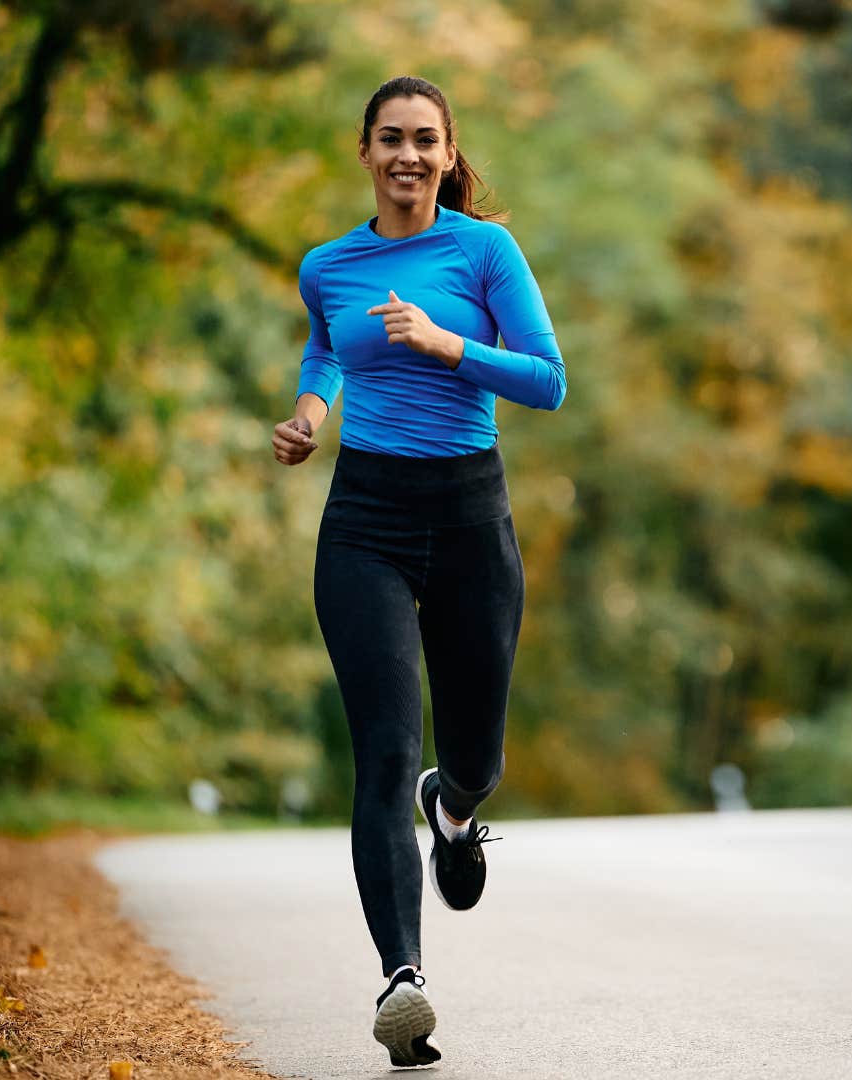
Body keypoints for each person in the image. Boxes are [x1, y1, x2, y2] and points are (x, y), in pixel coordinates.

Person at [272, 74, 566, 1068]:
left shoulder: (485, 251)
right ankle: (405, 984)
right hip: (366, 523)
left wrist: (448, 345)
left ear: (447, 155)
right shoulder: (329, 264)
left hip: (472, 519)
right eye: (389, 138)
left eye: (424, 140)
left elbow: (549, 379)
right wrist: (311, 413)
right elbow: (327, 350)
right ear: (364, 151)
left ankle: (460, 803)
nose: (406, 154)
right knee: (386, 750)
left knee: (471, 754)